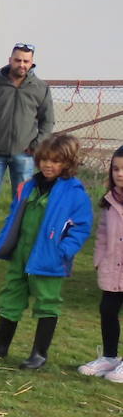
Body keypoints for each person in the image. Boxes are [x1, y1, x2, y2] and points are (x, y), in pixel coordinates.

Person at [0, 133, 93, 369]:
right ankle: (0, 347)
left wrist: (64, 250)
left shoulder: (74, 193)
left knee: (47, 301)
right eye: (44, 160)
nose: (48, 165)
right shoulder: (29, 186)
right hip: (21, 252)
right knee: (11, 295)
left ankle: (39, 354)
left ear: (67, 163)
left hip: (50, 257)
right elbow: (15, 214)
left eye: (55, 161)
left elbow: (81, 227)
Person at [0, 43, 55, 256]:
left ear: (32, 62)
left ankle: (16, 241)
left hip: (24, 155)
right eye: (18, 60)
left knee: (22, 199)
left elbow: (47, 122)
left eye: (26, 61)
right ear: (10, 60)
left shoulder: (40, 88)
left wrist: (37, 147)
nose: (22, 64)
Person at [77, 145, 123, 380]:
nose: (119, 173)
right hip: (112, 269)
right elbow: (103, 235)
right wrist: (99, 260)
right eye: (116, 168)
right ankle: (109, 357)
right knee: (107, 310)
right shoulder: (108, 201)